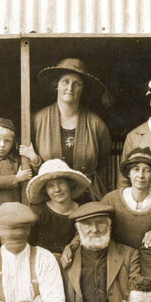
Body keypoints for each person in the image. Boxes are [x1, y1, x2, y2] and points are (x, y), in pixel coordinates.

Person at [59, 202, 141, 302]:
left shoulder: (129, 256)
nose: (94, 229)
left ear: (109, 226)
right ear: (78, 229)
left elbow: (137, 297)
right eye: (87, 224)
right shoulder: (65, 260)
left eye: (100, 223)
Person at [33, 58, 112, 198]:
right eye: (65, 82)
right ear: (56, 85)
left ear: (83, 89)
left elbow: (102, 159)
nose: (70, 88)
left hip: (87, 195)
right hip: (50, 195)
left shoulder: (96, 124)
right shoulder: (37, 120)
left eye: (77, 84)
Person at [101, 147, 151, 250]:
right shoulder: (111, 199)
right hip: (117, 258)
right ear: (129, 173)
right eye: (136, 169)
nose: (141, 175)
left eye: (147, 171)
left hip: (148, 258)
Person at [26, 158, 90, 255]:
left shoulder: (83, 210)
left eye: (61, 183)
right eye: (50, 186)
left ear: (70, 184)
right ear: (45, 190)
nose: (57, 189)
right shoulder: (37, 212)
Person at [0, 118, 34, 211]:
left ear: (12, 143)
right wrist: (16, 178)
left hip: (17, 209)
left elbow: (30, 174)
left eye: (7, 141)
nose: (2, 145)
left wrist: (33, 158)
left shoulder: (16, 160)